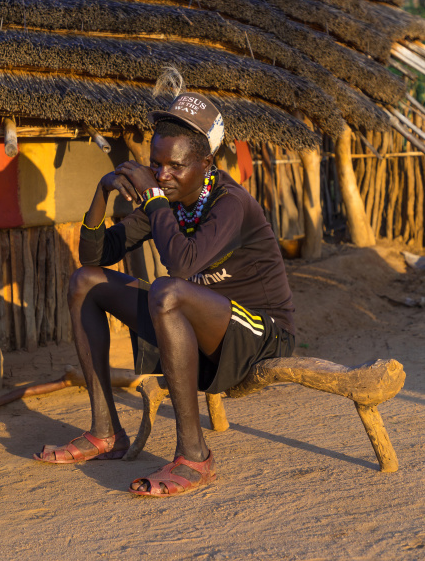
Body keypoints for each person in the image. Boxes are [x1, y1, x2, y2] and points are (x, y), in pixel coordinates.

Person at [34, 91, 295, 497]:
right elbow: (95, 255)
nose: (162, 174)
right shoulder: (167, 201)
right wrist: (103, 193)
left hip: (261, 334)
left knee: (168, 291)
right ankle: (106, 432)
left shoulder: (231, 203)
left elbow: (183, 264)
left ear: (206, 163)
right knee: (85, 283)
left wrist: (155, 201)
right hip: (200, 333)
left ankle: (195, 456)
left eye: (175, 165)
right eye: (156, 164)